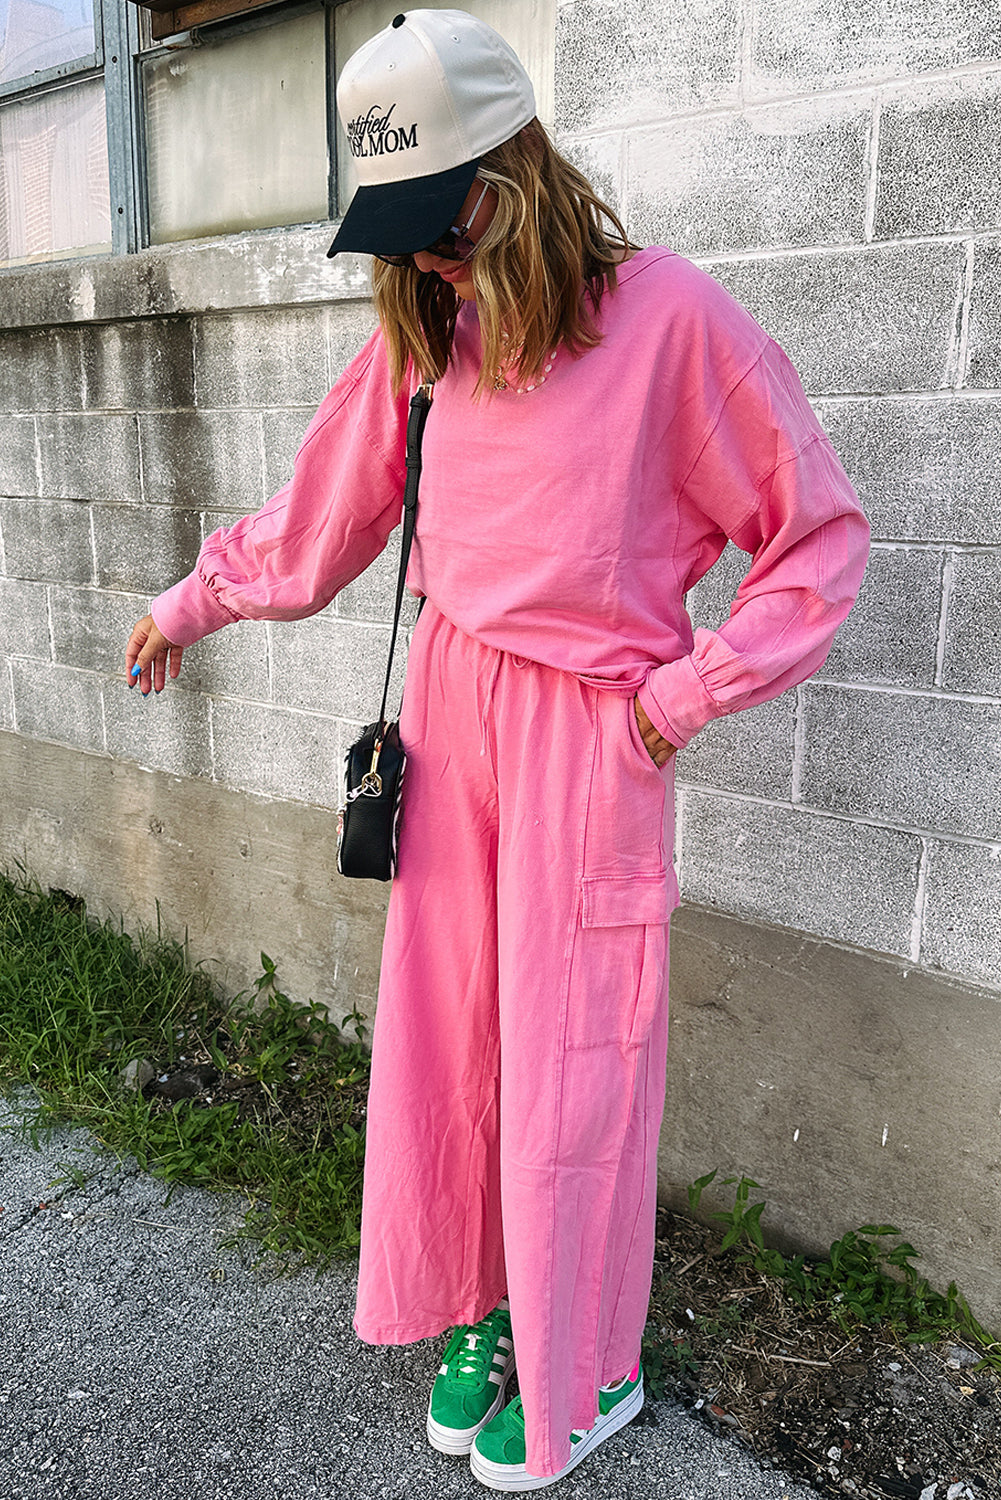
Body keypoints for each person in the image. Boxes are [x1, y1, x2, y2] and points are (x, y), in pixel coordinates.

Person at [125, 9, 870, 1492]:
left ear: (512, 174)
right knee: (451, 1046)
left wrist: (679, 699)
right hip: (449, 714)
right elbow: (321, 521)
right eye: (397, 230)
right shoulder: (425, 337)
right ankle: (482, 1307)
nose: (422, 255)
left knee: (571, 1067)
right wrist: (190, 600)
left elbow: (816, 538)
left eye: (440, 219)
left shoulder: (671, 324)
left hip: (587, 740)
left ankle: (585, 1361)